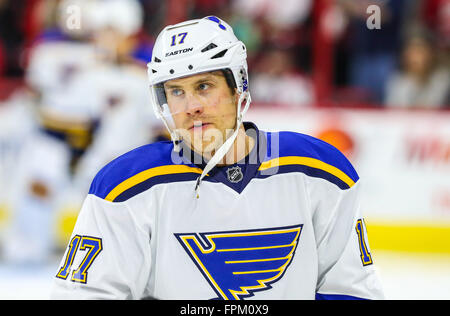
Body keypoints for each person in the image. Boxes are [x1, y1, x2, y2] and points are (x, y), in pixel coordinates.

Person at [50, 16, 384, 300]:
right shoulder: (126, 187)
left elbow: (351, 290)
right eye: (176, 91)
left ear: (238, 87)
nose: (190, 106)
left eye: (204, 86)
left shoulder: (320, 173)